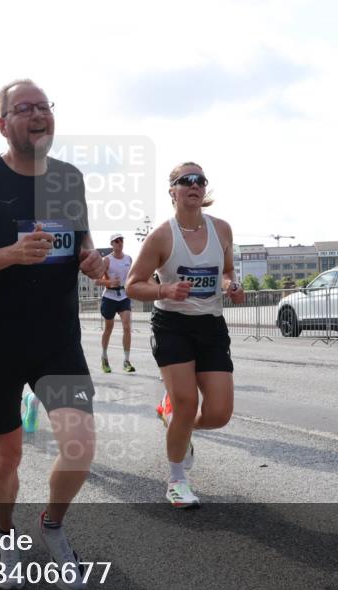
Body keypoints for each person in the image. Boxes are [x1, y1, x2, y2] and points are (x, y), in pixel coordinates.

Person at [0, 79, 105, 590]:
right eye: (24, 108)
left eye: (43, 107)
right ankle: (7, 537)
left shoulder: (69, 179)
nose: (37, 115)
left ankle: (52, 527)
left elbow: (80, 241)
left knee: (79, 446)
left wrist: (92, 259)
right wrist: (9, 255)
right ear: (3, 124)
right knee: (6, 456)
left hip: (57, 339)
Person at [125, 162, 244, 509]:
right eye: (185, 180)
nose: (194, 185)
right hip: (172, 326)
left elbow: (226, 271)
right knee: (187, 402)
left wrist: (230, 284)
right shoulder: (162, 235)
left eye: (200, 180)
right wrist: (165, 290)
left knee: (220, 413)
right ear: (172, 191)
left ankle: (173, 419)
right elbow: (133, 285)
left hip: (211, 325)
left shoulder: (222, 229)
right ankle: (176, 480)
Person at [96, 233, 135, 373]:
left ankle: (126, 361)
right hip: (110, 297)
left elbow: (132, 276)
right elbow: (97, 280)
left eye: (121, 240)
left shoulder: (129, 259)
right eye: (116, 241)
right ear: (111, 244)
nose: (119, 243)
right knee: (109, 329)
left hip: (124, 296)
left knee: (126, 327)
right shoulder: (107, 260)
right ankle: (104, 357)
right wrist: (110, 282)